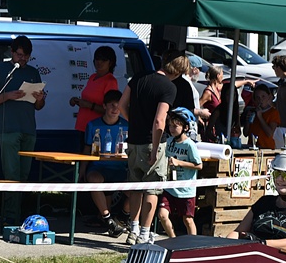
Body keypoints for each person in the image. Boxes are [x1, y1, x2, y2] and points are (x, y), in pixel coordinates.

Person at [119, 50, 189, 245]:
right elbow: (159, 121)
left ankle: (133, 230)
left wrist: (134, 123)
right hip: (153, 142)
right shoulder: (169, 87)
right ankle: (144, 232)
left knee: (135, 187)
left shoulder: (138, 77)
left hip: (133, 141)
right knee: (152, 189)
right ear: (179, 72)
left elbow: (122, 105)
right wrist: (156, 149)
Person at [0, 35, 46, 226]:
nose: (23, 59)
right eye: (19, 55)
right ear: (12, 52)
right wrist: (8, 95)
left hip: (28, 129)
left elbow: (39, 107)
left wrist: (40, 98)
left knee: (24, 175)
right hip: (8, 128)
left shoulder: (33, 72)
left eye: (26, 56)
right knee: (11, 174)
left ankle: (18, 215)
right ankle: (10, 217)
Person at [79, 89, 129, 237]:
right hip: (99, 167)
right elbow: (87, 148)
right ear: (104, 106)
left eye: (118, 105)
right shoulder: (93, 125)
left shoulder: (127, 125)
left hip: (120, 168)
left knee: (138, 188)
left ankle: (123, 217)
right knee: (94, 180)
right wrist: (82, 170)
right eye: (112, 105)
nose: (115, 109)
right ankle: (108, 220)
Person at [157, 107, 202, 238]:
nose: (171, 129)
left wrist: (179, 162)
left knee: (187, 220)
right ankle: (173, 240)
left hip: (186, 190)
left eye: (175, 126)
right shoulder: (169, 141)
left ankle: (192, 244)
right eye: (170, 125)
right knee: (162, 215)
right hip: (170, 187)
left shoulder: (189, 145)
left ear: (185, 128)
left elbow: (199, 165)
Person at [69, 45, 119, 150]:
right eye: (97, 59)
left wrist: (89, 105)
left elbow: (111, 110)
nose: (99, 62)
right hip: (83, 126)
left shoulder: (110, 81)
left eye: (103, 60)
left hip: (97, 129)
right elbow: (88, 99)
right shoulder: (92, 77)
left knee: (90, 158)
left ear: (110, 63)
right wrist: (77, 101)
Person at [244, 84, 280, 149]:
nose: (260, 100)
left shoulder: (273, 112)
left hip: (266, 148)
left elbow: (269, 133)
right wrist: (247, 121)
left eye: (263, 97)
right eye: (257, 98)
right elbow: (245, 133)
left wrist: (260, 117)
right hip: (252, 147)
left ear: (269, 97)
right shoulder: (252, 112)